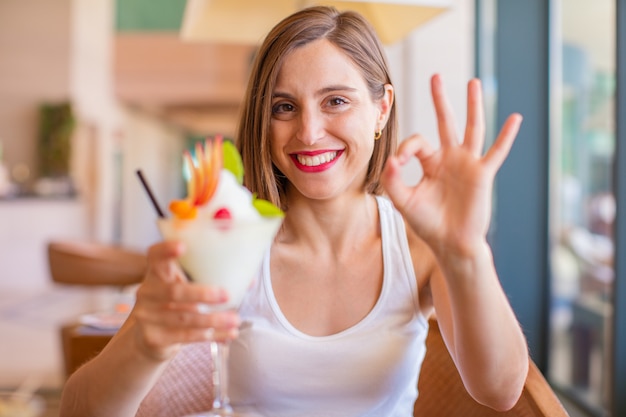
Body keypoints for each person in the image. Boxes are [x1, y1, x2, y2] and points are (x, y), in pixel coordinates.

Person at [60, 6, 529, 417]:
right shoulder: (228, 244)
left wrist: (466, 250)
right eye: (284, 107)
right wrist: (144, 341)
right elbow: (79, 411)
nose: (308, 132)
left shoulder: (419, 245)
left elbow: (500, 389)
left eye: (336, 101)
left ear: (382, 108)